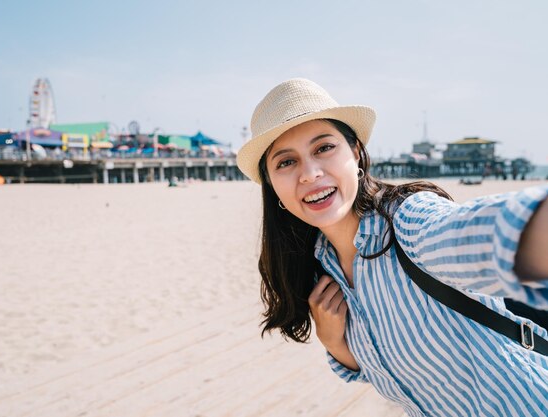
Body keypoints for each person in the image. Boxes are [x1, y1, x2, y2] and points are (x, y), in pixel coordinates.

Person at [235, 78, 548, 416]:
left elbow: (487, 235)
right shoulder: (318, 268)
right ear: (272, 184)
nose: (310, 174)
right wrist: (335, 342)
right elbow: (386, 371)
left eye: (324, 148)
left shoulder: (408, 223)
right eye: (286, 162)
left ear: (355, 152)